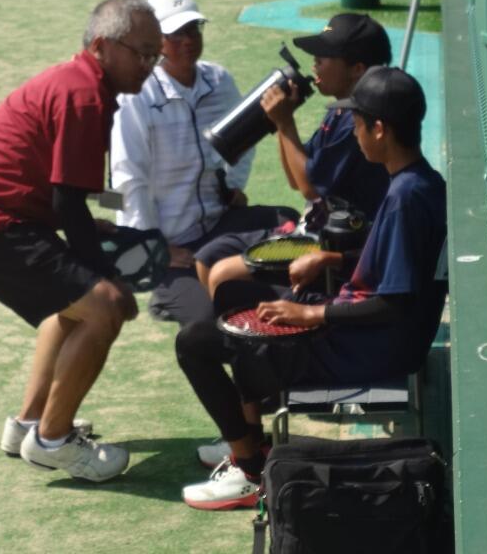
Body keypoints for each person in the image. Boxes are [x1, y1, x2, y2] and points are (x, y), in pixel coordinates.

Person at [175, 66, 447, 510]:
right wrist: (333, 260)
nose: (354, 132)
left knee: (197, 343)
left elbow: (394, 302)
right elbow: (403, 266)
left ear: (379, 129)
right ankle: (249, 443)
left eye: (357, 123)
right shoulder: (422, 182)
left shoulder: (404, 198)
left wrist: (310, 314)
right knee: (235, 303)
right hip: (373, 334)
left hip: (370, 347)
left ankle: (249, 470)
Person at [0, 0, 162, 482]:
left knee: (75, 304)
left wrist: (87, 247)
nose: (148, 65)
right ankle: (53, 442)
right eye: (142, 53)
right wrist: (105, 278)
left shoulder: (81, 85)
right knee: (104, 307)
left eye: (155, 55)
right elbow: (68, 201)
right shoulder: (84, 96)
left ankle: (28, 424)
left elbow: (63, 196)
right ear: (101, 46)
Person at [110, 0, 298, 326]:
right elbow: (128, 177)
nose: (188, 40)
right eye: (176, 34)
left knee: (288, 221)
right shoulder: (137, 96)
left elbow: (246, 137)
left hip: (220, 225)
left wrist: (234, 185)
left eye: (193, 29)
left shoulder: (219, 80)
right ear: (156, 41)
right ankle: (168, 291)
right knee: (212, 321)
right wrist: (154, 247)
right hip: (172, 243)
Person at [195, 13, 392, 297]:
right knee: (207, 259)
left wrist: (285, 122)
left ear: (357, 69)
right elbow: (295, 179)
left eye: (324, 57)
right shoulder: (339, 112)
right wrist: (278, 123)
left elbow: (310, 188)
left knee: (224, 274)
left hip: (335, 244)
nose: (315, 63)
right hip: (314, 227)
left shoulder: (356, 122)